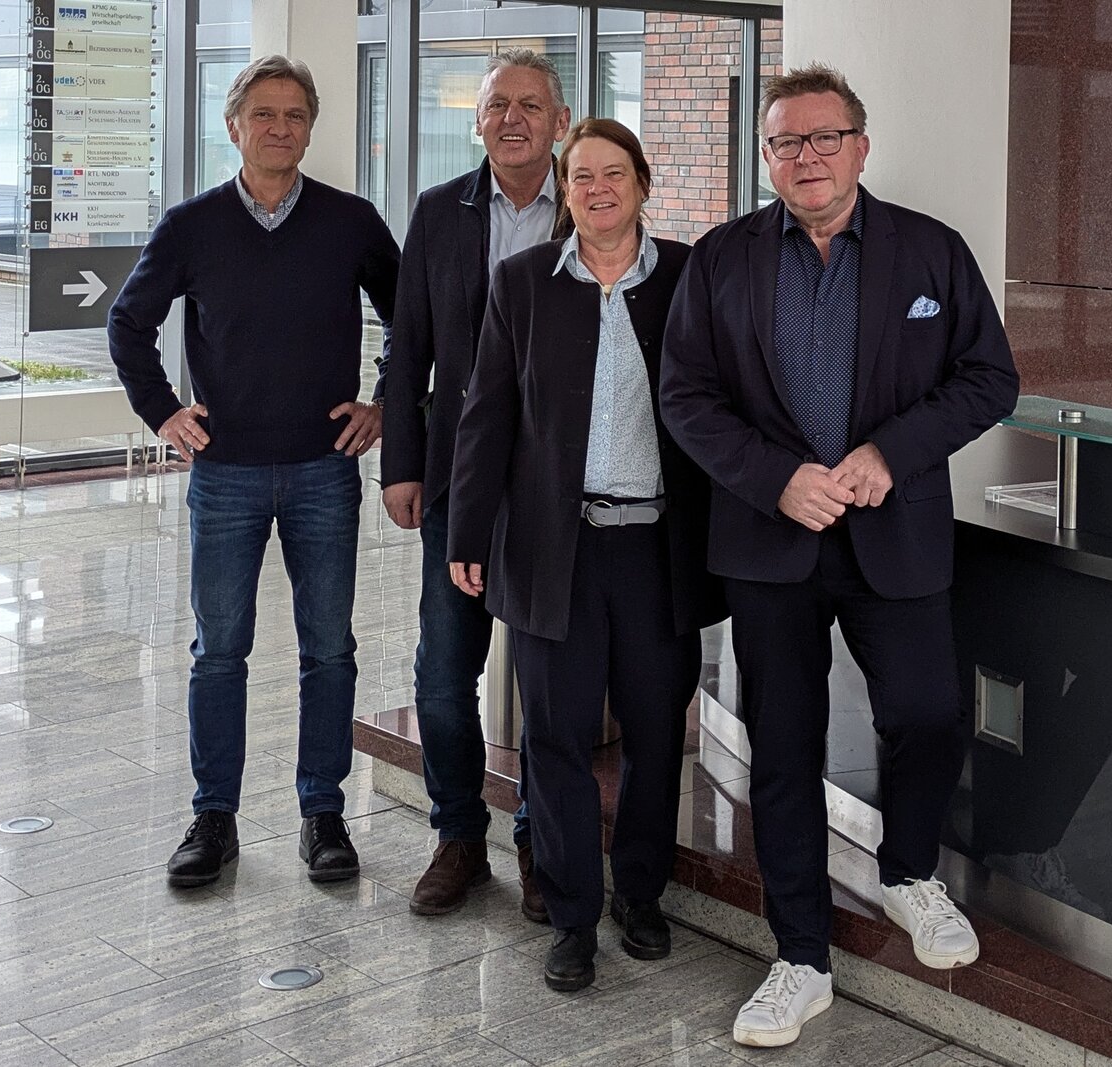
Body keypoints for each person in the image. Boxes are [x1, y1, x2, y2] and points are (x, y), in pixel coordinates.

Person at [659, 64, 1020, 1046]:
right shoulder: (722, 259)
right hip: (768, 541)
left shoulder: (929, 253)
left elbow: (989, 378)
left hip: (893, 534)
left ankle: (907, 871)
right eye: (786, 142)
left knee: (927, 711)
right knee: (782, 745)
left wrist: (887, 454)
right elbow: (685, 395)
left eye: (825, 138)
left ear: (861, 146)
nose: (806, 157)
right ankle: (799, 955)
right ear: (766, 157)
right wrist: (775, 476)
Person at [108, 55, 398, 889]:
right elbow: (129, 324)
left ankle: (323, 812)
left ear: (311, 126)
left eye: (295, 115)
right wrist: (163, 409)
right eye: (263, 115)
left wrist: (382, 401)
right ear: (233, 126)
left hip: (323, 470)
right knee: (218, 650)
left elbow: (411, 315)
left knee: (329, 650)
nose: (280, 129)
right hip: (226, 472)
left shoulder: (350, 221)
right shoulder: (192, 225)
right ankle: (214, 816)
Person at [448, 117, 723, 991]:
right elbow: (487, 414)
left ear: (643, 182)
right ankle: (570, 916)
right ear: (565, 194)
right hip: (550, 549)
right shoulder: (523, 281)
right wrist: (467, 533)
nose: (596, 188)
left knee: (652, 730)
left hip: (657, 548)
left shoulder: (687, 277)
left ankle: (640, 895)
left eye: (613, 172)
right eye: (580, 176)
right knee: (556, 737)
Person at [379, 48, 571, 921]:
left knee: (545, 680)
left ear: (559, 121)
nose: (513, 119)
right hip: (457, 479)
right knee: (445, 673)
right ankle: (460, 835)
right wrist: (402, 465)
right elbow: (407, 346)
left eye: (531, 105)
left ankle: (537, 840)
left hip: (561, 488)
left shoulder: (595, 204)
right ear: (479, 121)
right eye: (498, 106)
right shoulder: (438, 212)